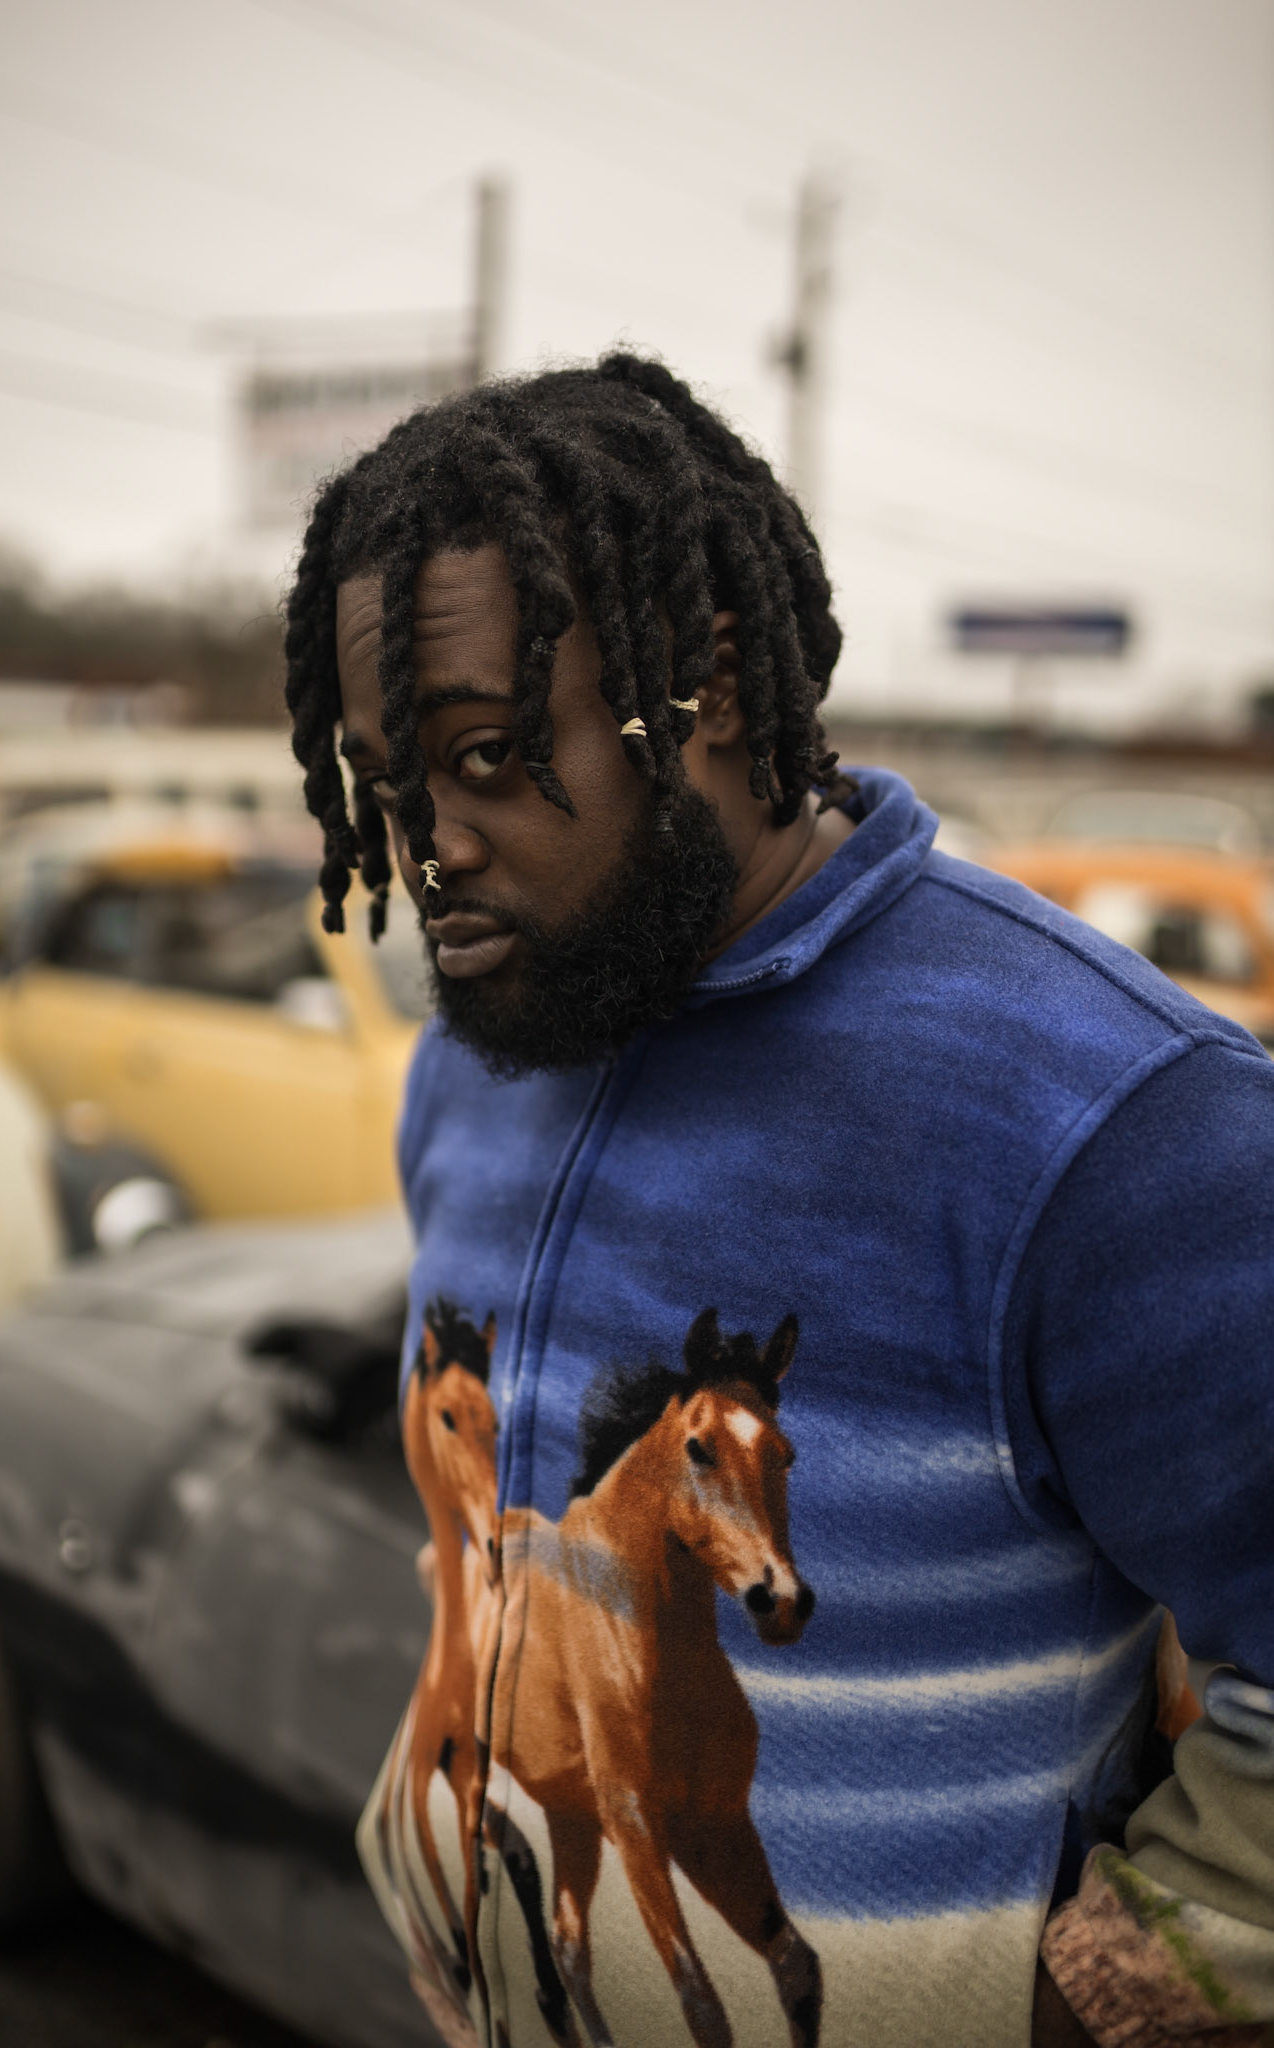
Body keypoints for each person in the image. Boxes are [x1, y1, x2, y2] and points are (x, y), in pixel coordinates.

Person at [283, 354, 1274, 2048]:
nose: (427, 847)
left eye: (489, 753)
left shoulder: (1112, 1117)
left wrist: (1083, 2007)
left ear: (716, 687)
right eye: (389, 783)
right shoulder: (477, 1054)